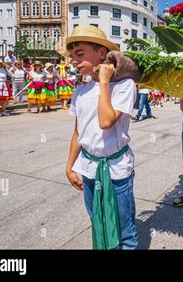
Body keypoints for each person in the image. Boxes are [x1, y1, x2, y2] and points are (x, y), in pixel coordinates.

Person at [65, 25, 139, 250]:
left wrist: (104, 81)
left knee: (124, 229)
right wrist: (69, 167)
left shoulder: (124, 86)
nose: (74, 61)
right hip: (88, 168)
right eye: (72, 57)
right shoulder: (80, 90)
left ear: (102, 54)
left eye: (80, 54)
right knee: (98, 220)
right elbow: (79, 132)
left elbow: (106, 122)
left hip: (116, 170)